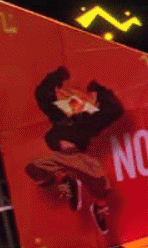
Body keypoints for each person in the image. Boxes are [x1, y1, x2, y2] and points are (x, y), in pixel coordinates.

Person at [27, 67, 124, 234]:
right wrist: (59, 75)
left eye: (79, 101)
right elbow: (42, 94)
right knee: (34, 168)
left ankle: (96, 206)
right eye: (72, 101)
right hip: (63, 154)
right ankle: (66, 179)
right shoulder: (59, 113)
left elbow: (115, 110)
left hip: (77, 155)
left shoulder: (92, 119)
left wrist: (98, 92)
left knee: (99, 182)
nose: (76, 103)